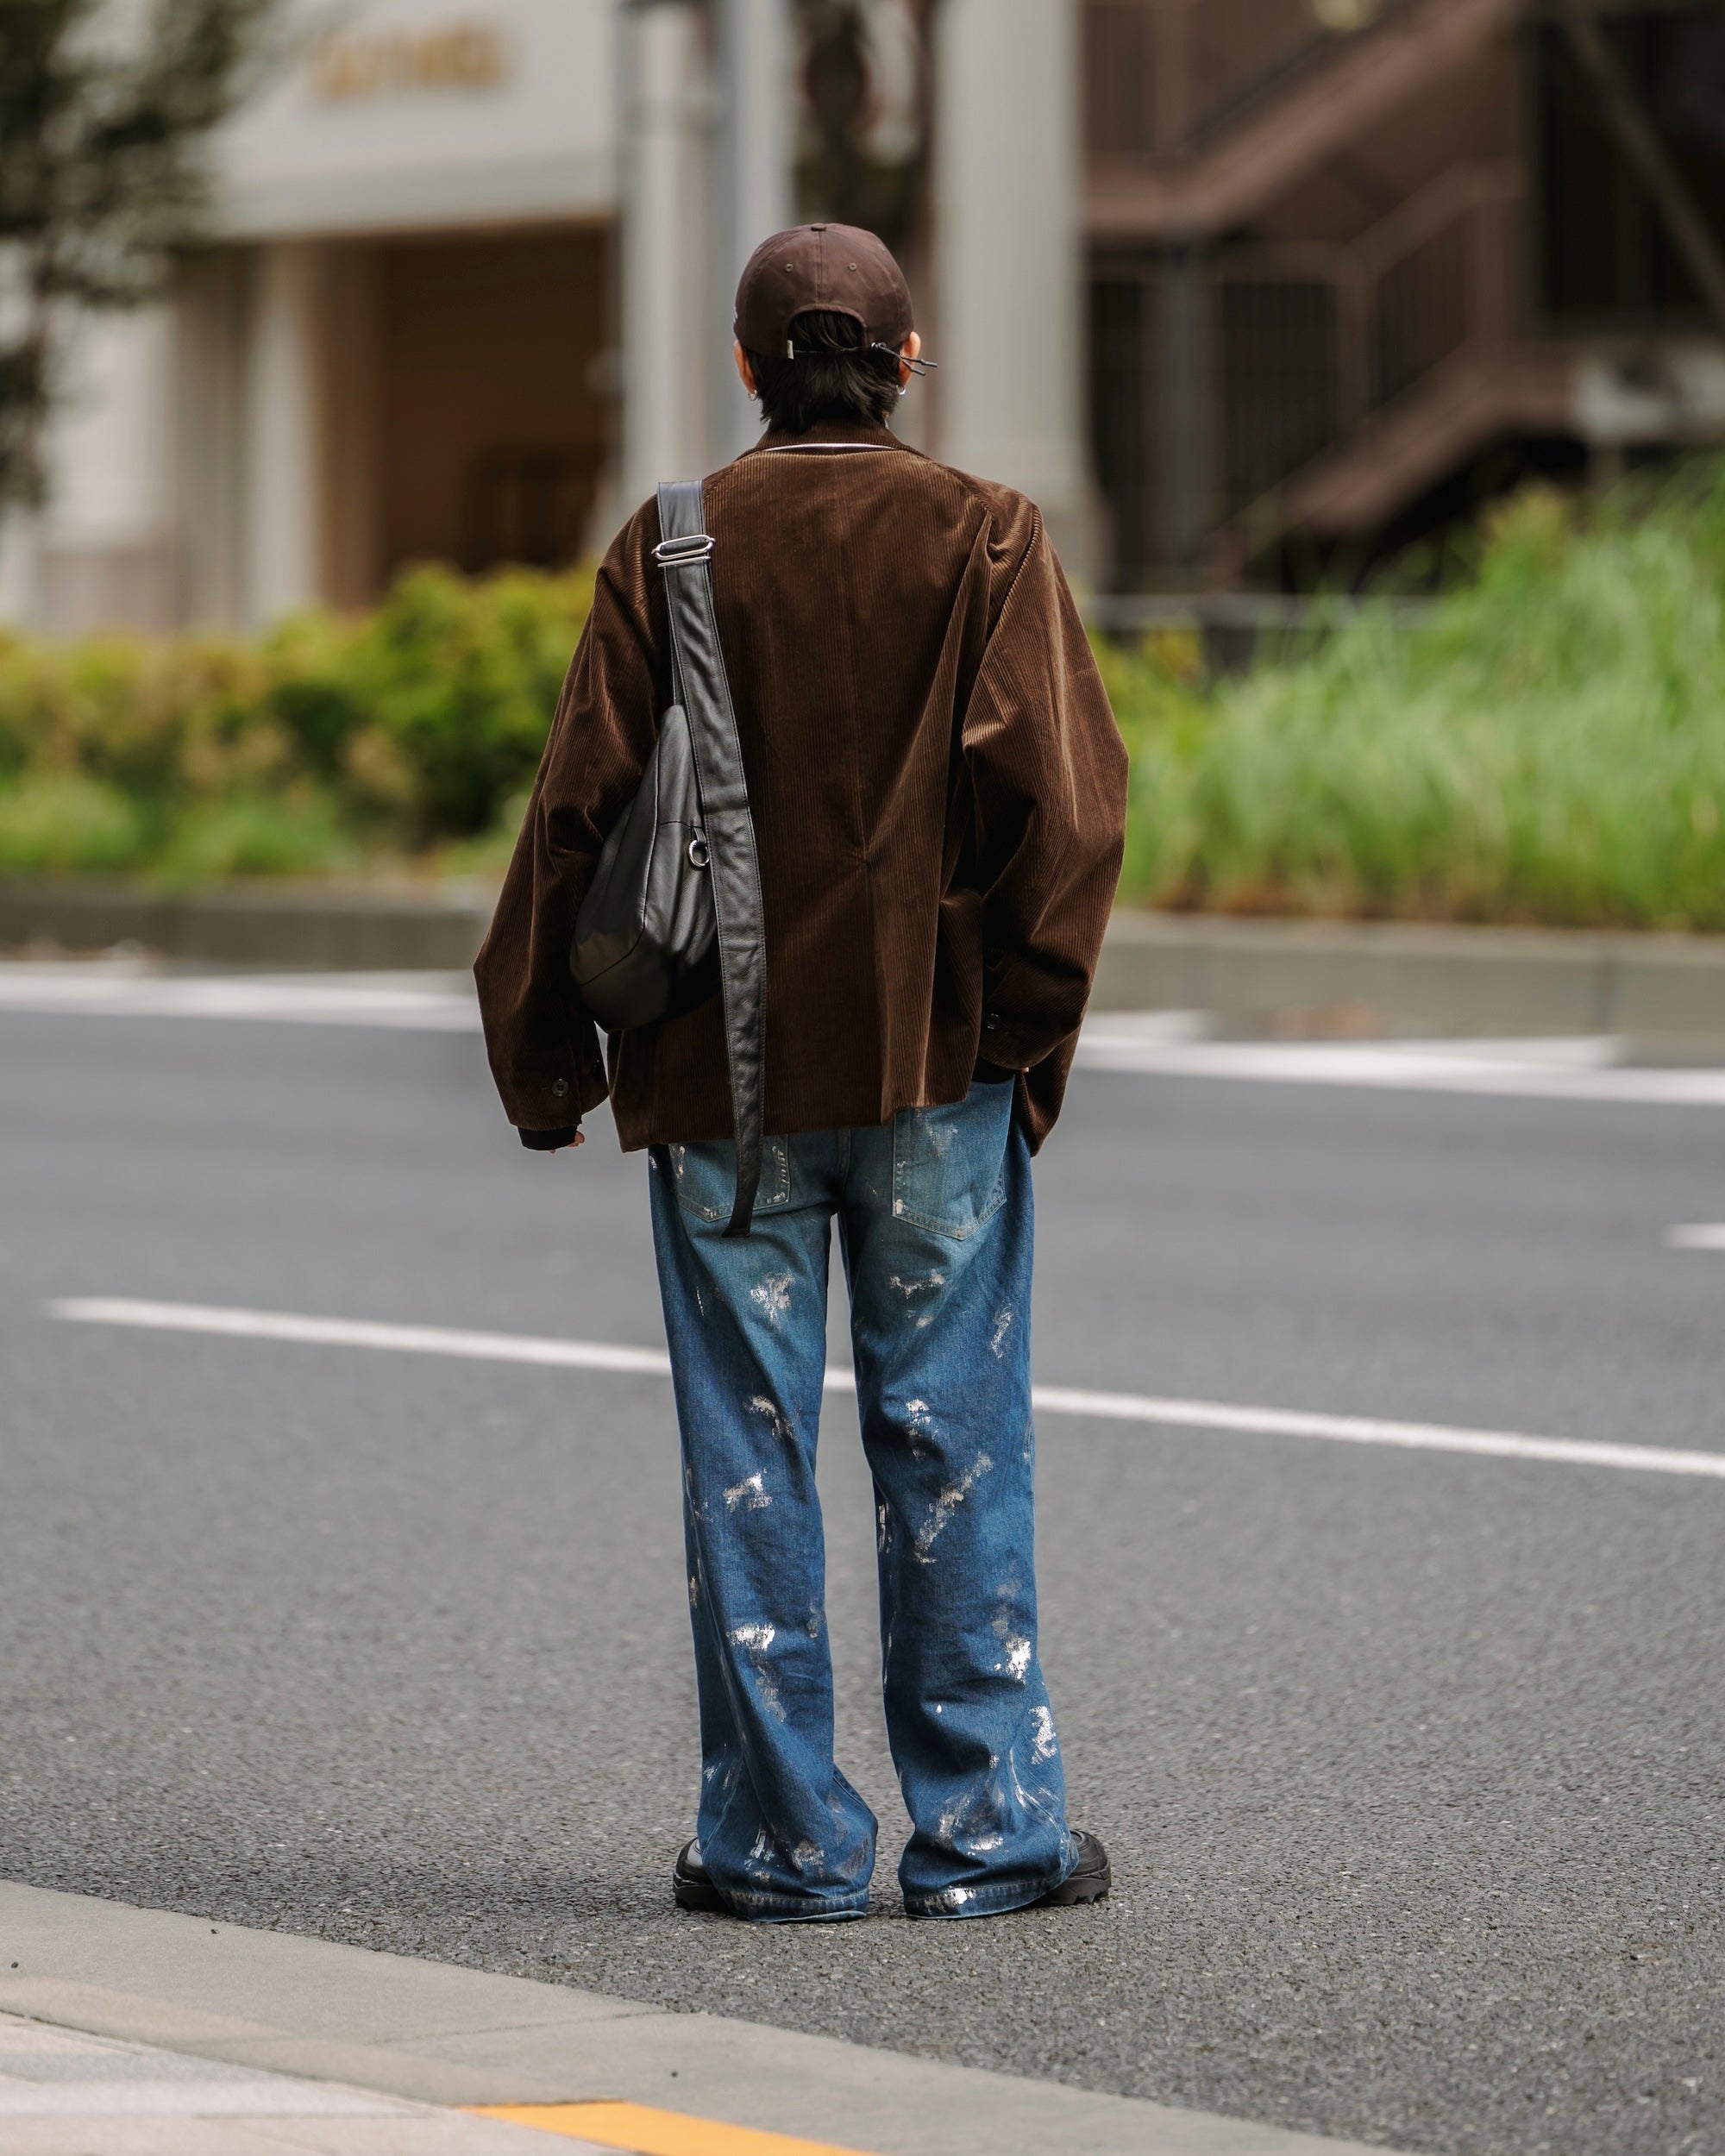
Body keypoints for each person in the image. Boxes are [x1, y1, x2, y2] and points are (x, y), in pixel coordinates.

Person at [475, 222, 1128, 1922]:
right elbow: (1064, 813)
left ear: (749, 368)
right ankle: (989, 1838)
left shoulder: (671, 545)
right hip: (935, 1070)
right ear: (909, 363)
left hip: (720, 1084)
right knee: (954, 1441)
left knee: (746, 1447)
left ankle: (778, 1844)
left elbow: (576, 813)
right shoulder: (985, 534)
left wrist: (547, 1052)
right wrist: (1015, 1033)